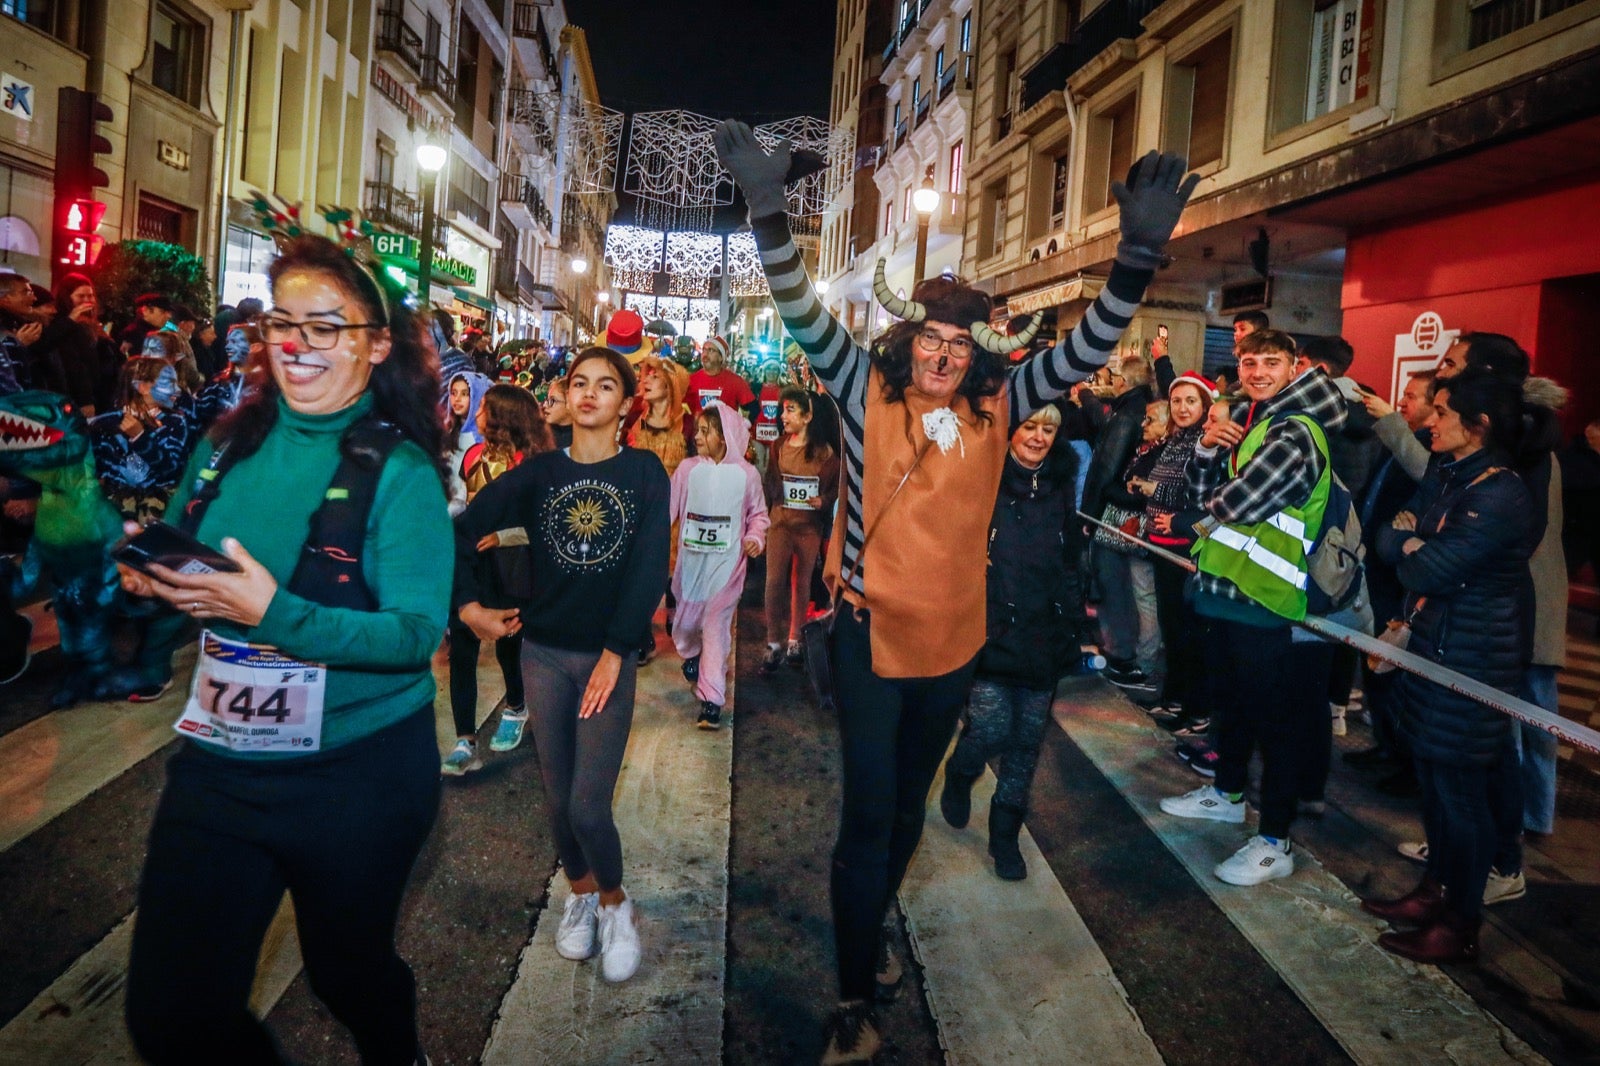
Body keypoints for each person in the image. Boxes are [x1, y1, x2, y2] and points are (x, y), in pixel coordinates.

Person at [716, 118, 1196, 1062]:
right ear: (907, 339)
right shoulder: (861, 389)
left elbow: (1090, 348)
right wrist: (768, 213)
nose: (939, 356)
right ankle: (856, 995)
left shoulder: (1000, 402)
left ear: (978, 351)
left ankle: (870, 939)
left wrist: (1137, 257)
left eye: (955, 343)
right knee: (866, 816)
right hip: (867, 637)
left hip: (954, 648)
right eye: (927, 338)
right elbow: (804, 309)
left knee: (903, 814)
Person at [119, 233, 452, 1063]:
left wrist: (272, 611)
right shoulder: (225, 443)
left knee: (345, 972)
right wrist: (158, 585)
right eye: (283, 322)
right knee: (172, 1015)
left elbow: (415, 636)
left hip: (358, 777)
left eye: (327, 326)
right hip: (220, 766)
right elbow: (201, 586)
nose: (299, 344)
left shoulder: (401, 471)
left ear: (377, 345)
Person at [455, 346, 667, 984]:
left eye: (607, 386)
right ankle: (580, 893)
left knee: (587, 806)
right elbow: (463, 529)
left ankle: (614, 903)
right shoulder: (539, 473)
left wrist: (616, 651)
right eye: (580, 382)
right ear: (567, 394)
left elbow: (649, 565)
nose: (590, 394)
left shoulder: (645, 472)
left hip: (604, 659)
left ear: (626, 405)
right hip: (543, 653)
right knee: (555, 800)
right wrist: (469, 608)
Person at [1362, 369, 1539, 964]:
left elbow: (1424, 568)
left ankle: (1462, 919)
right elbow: (1386, 538)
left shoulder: (1502, 493)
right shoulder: (1449, 473)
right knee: (1435, 788)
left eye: (1441, 412)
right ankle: (1436, 889)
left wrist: (1414, 545)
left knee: (1461, 796)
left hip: (1473, 660)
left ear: (1479, 426)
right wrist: (1410, 541)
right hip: (1434, 647)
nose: (1428, 421)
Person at [1158, 328, 1343, 888]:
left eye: (1271, 362)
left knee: (1275, 725)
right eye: (1248, 361)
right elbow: (1199, 489)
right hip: (1226, 592)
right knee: (1232, 706)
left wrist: (1204, 508)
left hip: (1266, 600)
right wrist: (1210, 449)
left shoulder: (1296, 430)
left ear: (1295, 366)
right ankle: (1227, 794)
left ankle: (1275, 841)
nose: (1257, 371)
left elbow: (1240, 502)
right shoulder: (1254, 422)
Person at [938, 402, 1081, 881]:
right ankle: (961, 770)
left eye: (1049, 429)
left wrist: (1071, 609)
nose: (1039, 437)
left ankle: (1005, 838)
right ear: (1010, 430)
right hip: (991, 624)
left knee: (1027, 742)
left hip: (1044, 630)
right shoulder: (984, 476)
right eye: (1030, 427)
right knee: (994, 729)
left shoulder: (1061, 481)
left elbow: (1069, 552)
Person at [442, 384, 554, 775]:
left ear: (504, 417)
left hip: (509, 567)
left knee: (509, 643)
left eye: (484, 409)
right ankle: (464, 739)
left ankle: (516, 705)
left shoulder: (530, 464)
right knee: (462, 649)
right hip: (470, 559)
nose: (475, 414)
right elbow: (462, 500)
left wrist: (504, 536)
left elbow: (543, 526)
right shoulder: (472, 454)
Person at [1344, 371, 1433, 785]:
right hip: (1375, 565)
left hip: (1398, 577)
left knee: (1394, 665)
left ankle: (1400, 759)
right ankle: (1384, 745)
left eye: (1413, 397)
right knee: (1377, 661)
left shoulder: (1426, 449)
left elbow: (1424, 479)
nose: (1403, 402)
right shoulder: (1397, 443)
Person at [670, 403, 769, 729]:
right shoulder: (687, 470)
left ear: (724, 437)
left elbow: (758, 515)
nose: (696, 436)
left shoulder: (747, 475)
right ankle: (691, 654)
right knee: (684, 627)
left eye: (705, 431)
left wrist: (755, 537)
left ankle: (711, 701)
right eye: (697, 430)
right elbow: (668, 510)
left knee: (716, 629)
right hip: (691, 568)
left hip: (727, 570)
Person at [1142, 372, 1216, 732]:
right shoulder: (1174, 440)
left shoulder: (1209, 442)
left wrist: (1177, 521)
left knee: (1191, 633)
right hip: (1162, 548)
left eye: (1191, 401)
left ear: (1205, 405)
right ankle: (1174, 696)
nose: (1183, 407)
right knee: (1172, 629)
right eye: (1177, 401)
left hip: (1189, 551)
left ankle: (1197, 708)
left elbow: (1207, 502)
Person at [1083, 354, 1160, 698]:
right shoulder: (1133, 411)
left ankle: (1123, 657)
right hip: (1120, 514)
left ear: (1124, 381)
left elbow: (1106, 469)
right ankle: (1126, 655)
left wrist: (1091, 513)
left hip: (1117, 519)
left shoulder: (1128, 415)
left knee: (1118, 591)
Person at [761, 386, 840, 673]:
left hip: (809, 528)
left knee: (802, 582)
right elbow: (770, 481)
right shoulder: (778, 446)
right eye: (783, 410)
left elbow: (833, 488)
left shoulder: (825, 452)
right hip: (780, 524)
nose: (783, 415)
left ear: (807, 417)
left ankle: (795, 637)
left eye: (790, 410)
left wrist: (823, 501)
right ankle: (773, 641)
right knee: (773, 582)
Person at [89, 356, 199, 525]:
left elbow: (172, 471)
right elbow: (98, 472)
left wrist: (141, 438)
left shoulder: (174, 422)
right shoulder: (106, 424)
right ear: (143, 387)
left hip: (158, 512)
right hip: (116, 513)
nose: (176, 390)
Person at [625, 354, 695, 477]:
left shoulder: (688, 425)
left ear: (670, 386)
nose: (646, 380)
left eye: (655, 377)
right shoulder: (634, 419)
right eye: (647, 376)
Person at [442, 369, 492, 516]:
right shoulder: (449, 430)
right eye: (454, 393)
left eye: (464, 394)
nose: (456, 399)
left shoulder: (481, 438)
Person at [688, 335, 756, 419]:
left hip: (725, 431)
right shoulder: (691, 380)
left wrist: (741, 427)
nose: (705, 354)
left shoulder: (735, 382)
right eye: (704, 350)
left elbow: (753, 409)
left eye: (711, 350)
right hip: (698, 431)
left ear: (721, 357)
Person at [542, 376, 574, 450]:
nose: (545, 405)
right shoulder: (540, 433)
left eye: (552, 401)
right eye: (547, 399)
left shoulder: (583, 442)